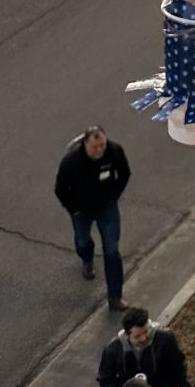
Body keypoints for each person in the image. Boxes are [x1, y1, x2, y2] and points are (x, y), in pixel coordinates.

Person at [55, 125, 131, 311]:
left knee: (112, 251)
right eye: (95, 146)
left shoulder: (114, 151)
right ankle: (87, 259)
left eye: (102, 145)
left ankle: (115, 296)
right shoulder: (71, 162)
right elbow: (60, 189)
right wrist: (74, 209)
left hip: (106, 206)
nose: (99, 150)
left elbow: (124, 173)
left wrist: (114, 195)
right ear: (85, 144)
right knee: (82, 240)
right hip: (81, 209)